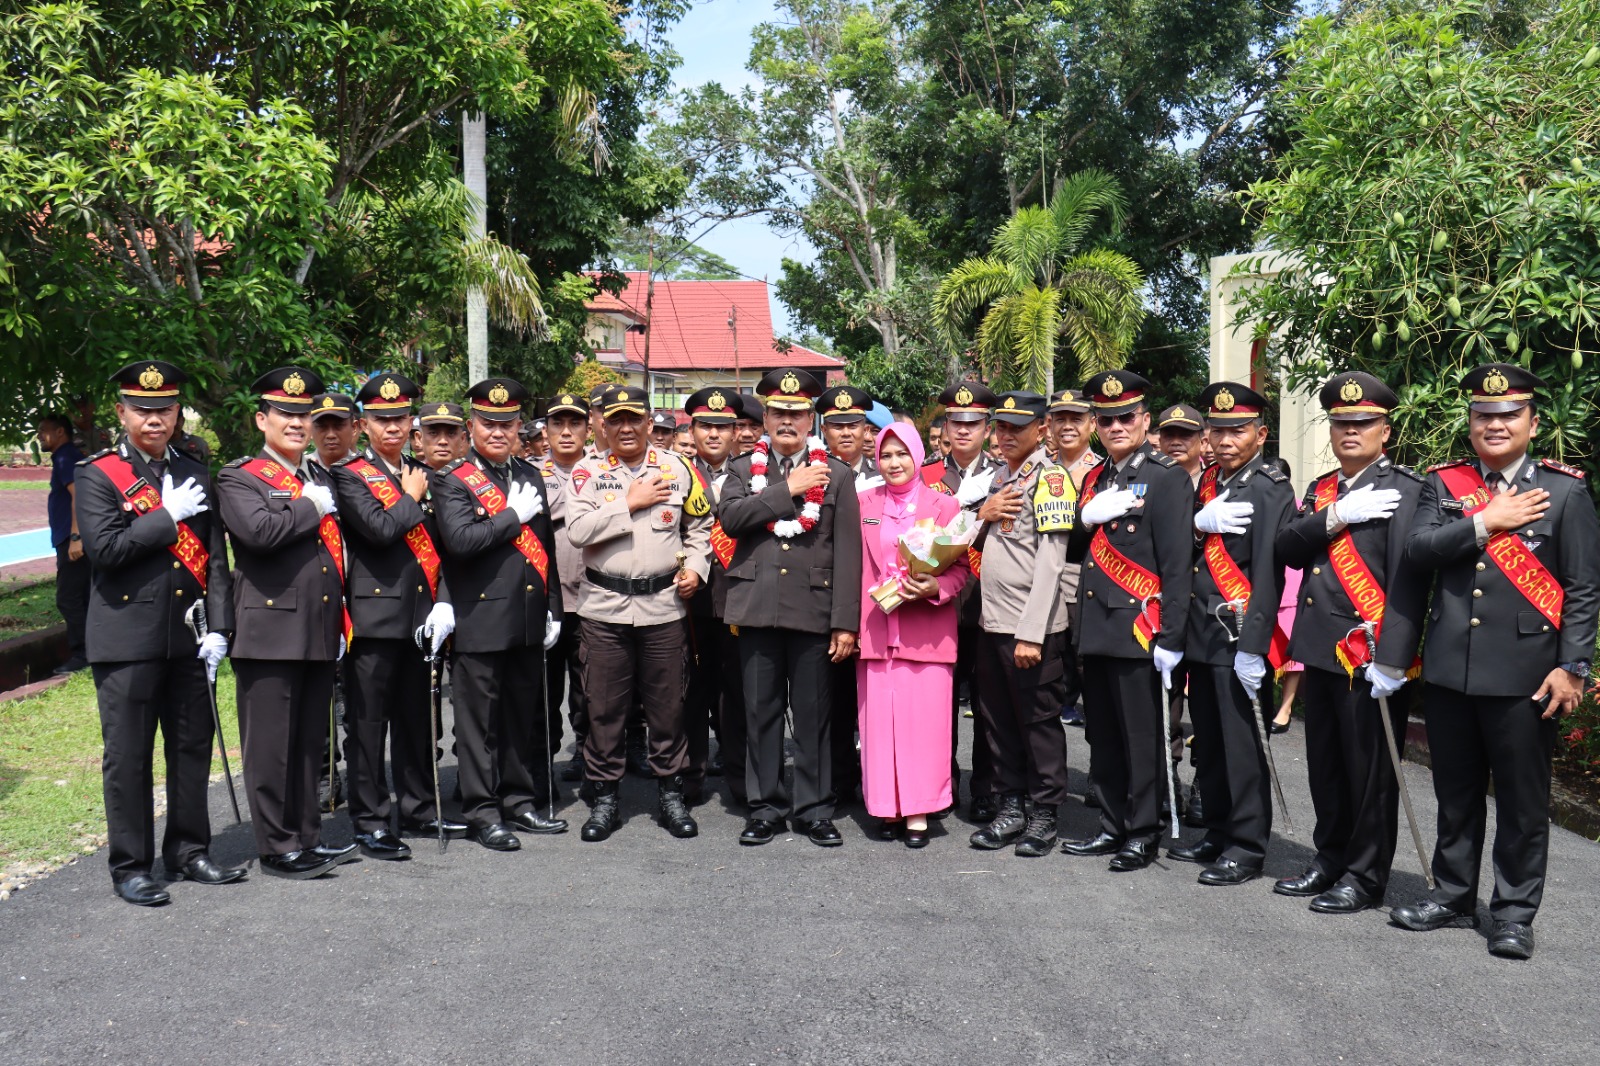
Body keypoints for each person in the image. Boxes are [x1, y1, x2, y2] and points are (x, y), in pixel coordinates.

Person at [1393, 363, 1600, 960]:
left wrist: (1574, 667)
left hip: (1527, 675)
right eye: (1483, 414)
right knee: (1454, 794)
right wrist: (1485, 522)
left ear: (1532, 423)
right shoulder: (1445, 484)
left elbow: (1584, 588)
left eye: (1509, 414)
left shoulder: (1564, 491)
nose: (1495, 424)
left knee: (1521, 800)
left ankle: (1512, 913)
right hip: (1453, 669)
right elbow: (1418, 549)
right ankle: (1455, 895)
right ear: (1470, 422)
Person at [76, 361, 240, 906]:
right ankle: (131, 866)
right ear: (121, 412)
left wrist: (221, 627)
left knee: (192, 747)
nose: (154, 419)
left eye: (164, 409)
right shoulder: (97, 474)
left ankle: (190, 851)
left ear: (177, 413)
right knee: (129, 756)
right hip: (127, 639)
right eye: (142, 409)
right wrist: (164, 516)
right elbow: (105, 551)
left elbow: (215, 558)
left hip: (189, 637)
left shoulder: (194, 466)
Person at [1273, 371, 1427, 914]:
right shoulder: (1322, 491)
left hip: (1371, 653)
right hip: (1322, 648)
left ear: (1386, 430)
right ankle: (1329, 857)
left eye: (1363, 423)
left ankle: (1365, 877)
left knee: (1370, 773)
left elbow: (1411, 583)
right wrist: (1335, 516)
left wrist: (1396, 656)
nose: (1350, 432)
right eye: (1341, 423)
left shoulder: (1411, 490)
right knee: (1327, 766)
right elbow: (1288, 548)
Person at [215, 366, 353, 880]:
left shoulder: (316, 476)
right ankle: (277, 846)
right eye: (286, 414)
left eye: (304, 415)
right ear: (262, 420)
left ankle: (307, 838)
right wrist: (306, 508)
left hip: (318, 628)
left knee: (307, 744)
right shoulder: (240, 476)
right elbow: (258, 533)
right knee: (271, 747)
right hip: (269, 632)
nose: (297, 423)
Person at [717, 367, 862, 847]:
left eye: (797, 413)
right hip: (756, 608)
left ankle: (815, 807)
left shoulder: (837, 474)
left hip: (813, 610)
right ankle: (765, 807)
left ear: (810, 419)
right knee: (760, 712)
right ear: (764, 417)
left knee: (813, 715)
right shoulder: (742, 469)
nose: (786, 421)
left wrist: (845, 623)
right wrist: (791, 488)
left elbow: (848, 554)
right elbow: (733, 519)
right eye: (778, 412)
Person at [567, 384, 713, 841]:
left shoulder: (677, 467)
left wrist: (696, 567)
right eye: (616, 420)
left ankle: (670, 794)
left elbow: (700, 527)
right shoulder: (587, 473)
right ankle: (605, 798)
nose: (626, 428)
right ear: (603, 426)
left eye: (634, 419)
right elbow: (578, 531)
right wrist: (627, 503)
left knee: (667, 708)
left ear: (650, 423)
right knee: (605, 711)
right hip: (604, 610)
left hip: (663, 609)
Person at [1061, 370, 1193, 872]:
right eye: (1108, 418)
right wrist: (1087, 516)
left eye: (1127, 417)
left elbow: (1177, 565)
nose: (1117, 426)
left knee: (1143, 738)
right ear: (1097, 424)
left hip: (1141, 631)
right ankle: (1111, 824)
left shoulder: (1167, 477)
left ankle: (1141, 832)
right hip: (1096, 626)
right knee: (1105, 736)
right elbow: (1074, 548)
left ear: (1144, 420)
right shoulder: (1097, 479)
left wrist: (1172, 635)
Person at [328, 372, 463, 857]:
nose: (392, 428)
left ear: (412, 423)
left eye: (400, 419)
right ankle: (370, 820)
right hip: (372, 622)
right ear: (364, 425)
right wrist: (409, 497)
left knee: (418, 720)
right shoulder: (348, 475)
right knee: (368, 726)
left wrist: (443, 599)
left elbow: (444, 548)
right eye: (381, 420)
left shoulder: (423, 472)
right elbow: (380, 529)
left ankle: (421, 808)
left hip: (421, 617)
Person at [431, 377, 566, 851]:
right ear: (471, 427)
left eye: (507, 424)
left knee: (519, 718)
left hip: (528, 617)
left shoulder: (529, 475)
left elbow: (544, 549)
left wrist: (553, 609)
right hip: (480, 619)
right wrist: (509, 516)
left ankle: (519, 800)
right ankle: (481, 811)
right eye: (488, 423)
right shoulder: (450, 479)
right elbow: (461, 543)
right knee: (477, 725)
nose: (498, 432)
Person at [1167, 381, 1293, 886]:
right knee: (1211, 742)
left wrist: (1255, 646)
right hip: (1201, 632)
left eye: (1236, 430)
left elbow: (1269, 571)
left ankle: (1246, 845)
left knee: (1241, 745)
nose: (1223, 439)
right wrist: (1199, 524)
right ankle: (1217, 830)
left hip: (1238, 635)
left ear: (1260, 434)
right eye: (1216, 430)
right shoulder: (1206, 484)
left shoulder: (1269, 487)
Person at [967, 391, 1073, 856]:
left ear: (1042, 429)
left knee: (1038, 723)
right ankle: (1011, 805)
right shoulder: (1002, 477)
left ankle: (1044, 813)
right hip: (992, 621)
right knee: (997, 720)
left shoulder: (1051, 480)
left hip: (1031, 628)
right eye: (1001, 427)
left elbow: (1051, 563)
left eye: (1017, 427)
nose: (1006, 434)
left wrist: (1031, 633)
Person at [857, 423, 970, 847]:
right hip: (875, 629)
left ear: (919, 455)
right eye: (886, 455)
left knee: (923, 726)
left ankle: (920, 809)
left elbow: (962, 567)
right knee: (878, 726)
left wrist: (936, 588)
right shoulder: (863, 503)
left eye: (902, 453)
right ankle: (886, 807)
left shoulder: (943, 505)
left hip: (927, 633)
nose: (894, 463)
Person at [922, 381, 1002, 819]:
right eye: (957, 422)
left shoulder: (1006, 472)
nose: (965, 430)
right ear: (946, 427)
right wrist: (968, 511)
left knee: (988, 703)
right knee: (940, 702)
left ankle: (986, 787)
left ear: (987, 428)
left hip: (989, 602)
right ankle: (941, 781)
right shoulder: (928, 475)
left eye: (974, 423)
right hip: (941, 605)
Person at [681, 386, 745, 805]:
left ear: (736, 431)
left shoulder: (753, 473)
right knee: (690, 694)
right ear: (694, 429)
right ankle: (689, 778)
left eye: (723, 427)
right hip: (690, 601)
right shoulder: (674, 471)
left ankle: (742, 780)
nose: (715, 434)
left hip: (741, 598)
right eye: (706, 426)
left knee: (738, 694)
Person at [818, 383, 877, 806]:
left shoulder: (889, 472)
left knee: (877, 701)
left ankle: (880, 780)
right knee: (834, 699)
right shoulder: (811, 473)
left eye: (853, 424)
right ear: (823, 428)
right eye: (836, 425)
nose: (845, 433)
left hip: (880, 605)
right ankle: (838, 779)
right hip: (827, 602)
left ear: (866, 429)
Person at [1154, 403, 1207, 823]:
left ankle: (1205, 783)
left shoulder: (1215, 485)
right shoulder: (1153, 479)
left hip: (1208, 610)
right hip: (1164, 607)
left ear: (1201, 441)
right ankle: (1167, 782)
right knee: (1166, 703)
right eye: (1168, 434)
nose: (1175, 442)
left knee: (1205, 704)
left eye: (1184, 436)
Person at [307, 390, 359, 812]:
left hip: (367, 602)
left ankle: (365, 775)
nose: (329, 434)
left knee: (360, 700)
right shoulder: (297, 476)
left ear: (354, 427)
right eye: (320, 425)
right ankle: (326, 773)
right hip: (320, 601)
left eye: (337, 424)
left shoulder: (368, 472)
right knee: (322, 694)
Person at [540, 393, 593, 785]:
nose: (566, 431)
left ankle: (588, 757)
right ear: (546, 431)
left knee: (590, 688)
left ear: (588, 429)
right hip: (545, 601)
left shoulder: (601, 471)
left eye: (574, 423)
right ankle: (542, 757)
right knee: (543, 689)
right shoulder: (530, 474)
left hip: (593, 598)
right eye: (558, 424)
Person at [1046, 389, 1098, 729]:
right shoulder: (1040, 470)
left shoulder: (1103, 472)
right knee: (1048, 668)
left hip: (1084, 579)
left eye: (1076, 419)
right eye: (1059, 419)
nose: (1067, 427)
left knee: (1087, 669)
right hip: (1043, 577)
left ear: (1092, 424)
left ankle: (1100, 767)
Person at [38, 413, 89, 674]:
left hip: (72, 539)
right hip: (70, 537)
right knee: (84, 596)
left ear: (60, 432)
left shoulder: (64, 457)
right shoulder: (67, 456)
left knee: (68, 598)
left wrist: (75, 537)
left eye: (43, 430)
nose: (38, 436)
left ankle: (82, 655)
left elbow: (77, 495)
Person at [416, 403, 466, 471]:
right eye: (433, 433)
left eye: (451, 433)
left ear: (462, 439)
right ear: (419, 438)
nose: (443, 441)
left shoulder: (476, 479)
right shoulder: (406, 478)